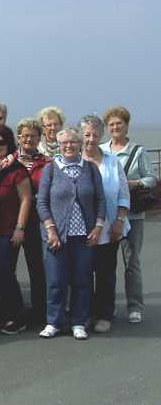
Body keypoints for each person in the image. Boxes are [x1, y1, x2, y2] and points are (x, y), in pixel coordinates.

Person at [36, 127, 105, 341]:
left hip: (84, 236)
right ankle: (53, 322)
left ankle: (78, 322)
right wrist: (50, 229)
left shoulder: (91, 169)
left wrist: (98, 226)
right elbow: (42, 202)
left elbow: (101, 200)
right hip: (56, 235)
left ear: (80, 144)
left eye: (73, 142)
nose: (69, 146)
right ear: (59, 144)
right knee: (55, 281)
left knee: (82, 280)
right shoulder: (50, 169)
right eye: (64, 142)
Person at [100, 105, 157, 324]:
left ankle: (135, 306)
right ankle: (108, 306)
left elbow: (151, 178)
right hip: (107, 217)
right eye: (111, 124)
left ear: (126, 125)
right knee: (106, 264)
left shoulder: (138, 151)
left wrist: (135, 183)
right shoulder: (102, 150)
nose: (115, 127)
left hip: (132, 216)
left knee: (131, 261)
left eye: (119, 124)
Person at [79, 115, 130, 334]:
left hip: (109, 229)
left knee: (106, 272)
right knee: (82, 274)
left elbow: (124, 194)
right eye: (86, 134)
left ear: (101, 136)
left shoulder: (112, 161)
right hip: (80, 230)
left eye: (95, 135)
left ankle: (104, 314)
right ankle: (87, 312)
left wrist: (119, 220)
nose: (90, 139)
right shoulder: (72, 160)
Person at [0, 125, 32, 335]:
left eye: (2, 142)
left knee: (4, 271)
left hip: (8, 229)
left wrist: (20, 227)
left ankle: (16, 316)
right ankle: (1, 312)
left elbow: (26, 199)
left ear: (9, 144)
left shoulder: (16, 169)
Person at [14, 117, 51, 326]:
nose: (28, 139)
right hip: (13, 219)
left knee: (38, 268)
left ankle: (40, 312)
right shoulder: (9, 160)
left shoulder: (47, 163)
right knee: (6, 268)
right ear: (19, 137)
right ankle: (12, 310)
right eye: (25, 135)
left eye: (33, 136)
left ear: (39, 138)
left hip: (36, 221)